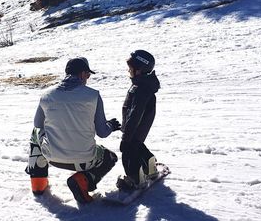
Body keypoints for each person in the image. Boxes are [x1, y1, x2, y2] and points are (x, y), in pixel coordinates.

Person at [26, 57, 121, 203]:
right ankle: (83, 180)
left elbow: (38, 124)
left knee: (35, 133)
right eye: (88, 75)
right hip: (85, 161)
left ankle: (38, 183)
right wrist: (111, 126)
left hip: (52, 157)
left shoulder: (47, 95)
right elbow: (102, 132)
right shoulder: (93, 95)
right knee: (110, 157)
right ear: (82, 74)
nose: (87, 79)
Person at [117, 50, 161, 190]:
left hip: (135, 127)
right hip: (140, 127)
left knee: (128, 154)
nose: (128, 71)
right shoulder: (144, 84)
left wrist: (126, 137)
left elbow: (135, 114)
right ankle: (150, 165)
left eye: (131, 68)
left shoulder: (140, 88)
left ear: (139, 70)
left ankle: (135, 180)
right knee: (137, 145)